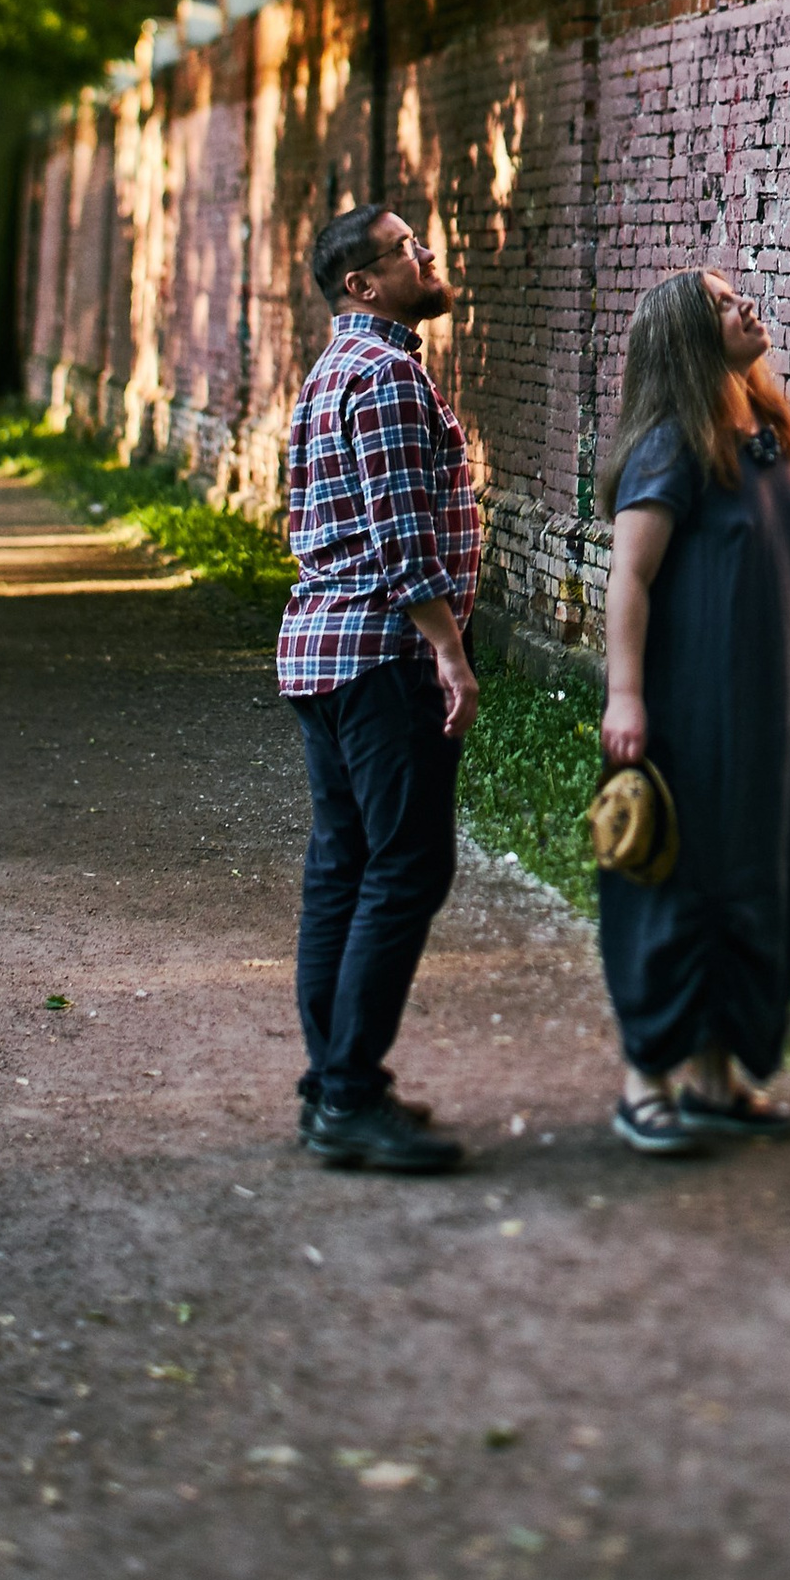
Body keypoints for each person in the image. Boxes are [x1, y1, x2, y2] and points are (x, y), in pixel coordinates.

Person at [596, 266, 790, 1160]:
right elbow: (631, 577)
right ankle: (646, 1081)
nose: (746, 304)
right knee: (678, 876)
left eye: (738, 293)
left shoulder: (763, 435)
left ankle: (716, 1077)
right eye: (723, 303)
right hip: (688, 700)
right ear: (690, 338)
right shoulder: (670, 444)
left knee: (750, 874)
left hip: (760, 697)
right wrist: (625, 694)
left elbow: (767, 559)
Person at [277, 202, 480, 1174]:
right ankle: (349, 1092)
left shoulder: (329, 374)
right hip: (380, 653)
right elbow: (404, 537)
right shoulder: (389, 374)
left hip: (320, 649)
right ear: (363, 284)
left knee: (344, 862)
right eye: (407, 249)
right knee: (406, 866)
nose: (427, 254)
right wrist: (448, 650)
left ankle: (334, 1080)